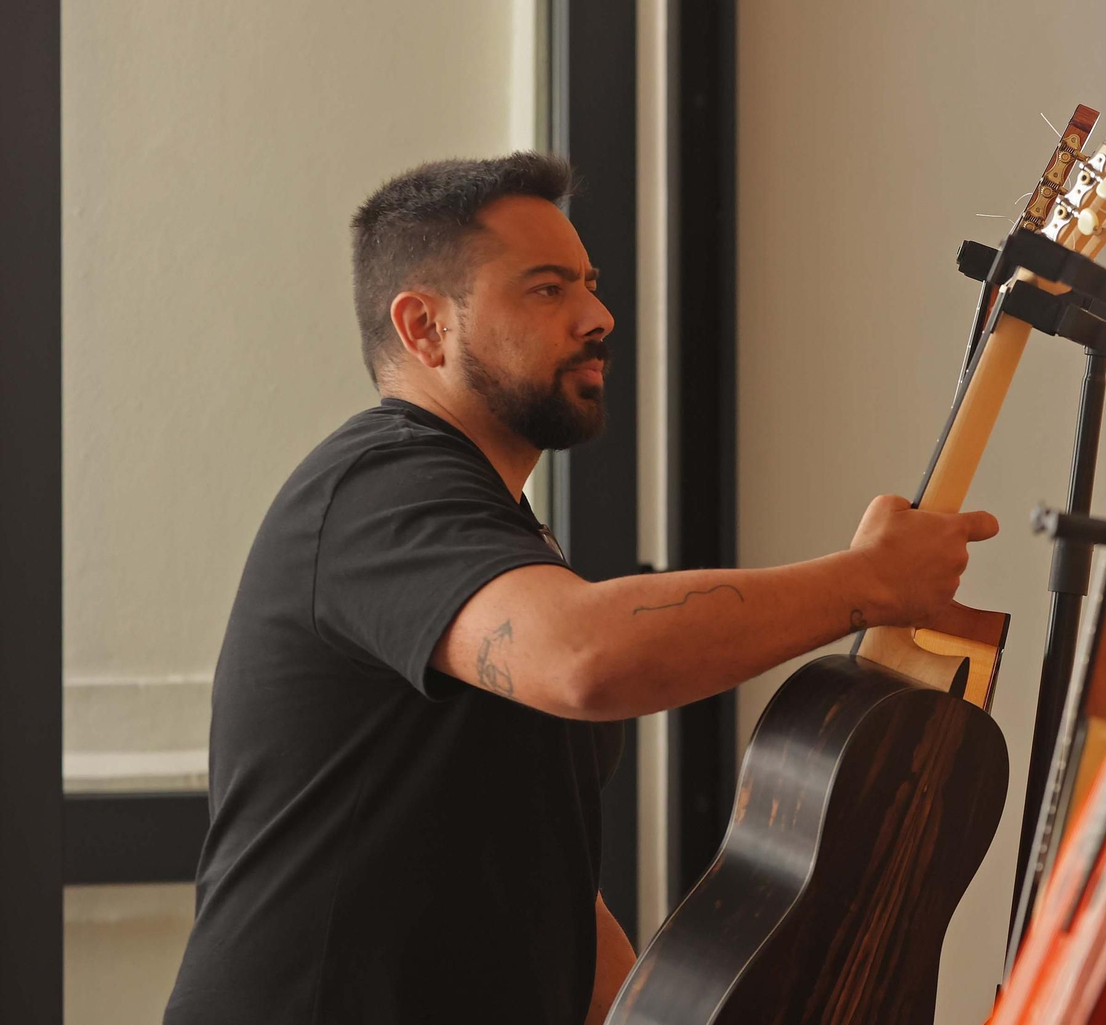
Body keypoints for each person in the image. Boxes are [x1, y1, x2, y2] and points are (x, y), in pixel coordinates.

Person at [163, 152, 998, 1025]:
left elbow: (533, 867)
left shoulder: (498, 527)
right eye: (545, 289)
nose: (598, 316)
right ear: (423, 328)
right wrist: (866, 583)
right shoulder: (381, 484)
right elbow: (584, 657)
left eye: (590, 284)